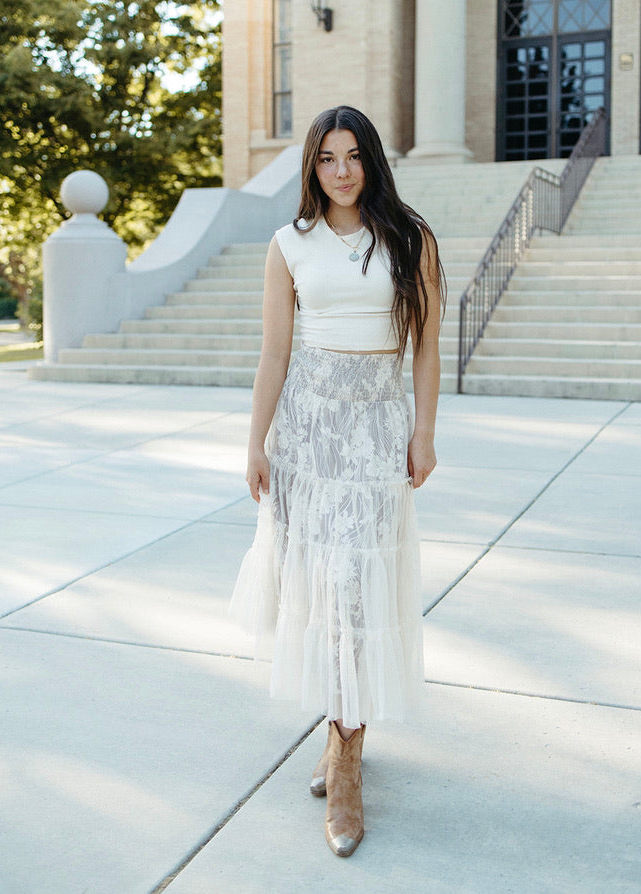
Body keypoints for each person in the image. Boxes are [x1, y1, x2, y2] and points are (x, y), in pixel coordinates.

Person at [229, 105, 445, 857]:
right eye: (328, 157)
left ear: (372, 161)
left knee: (357, 589)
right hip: (308, 436)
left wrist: (424, 431)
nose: (343, 170)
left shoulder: (410, 239)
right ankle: (338, 732)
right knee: (324, 593)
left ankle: (347, 761)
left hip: (378, 431)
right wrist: (256, 443)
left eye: (354, 155)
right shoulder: (289, 244)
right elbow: (274, 356)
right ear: (312, 168)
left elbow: (424, 349)